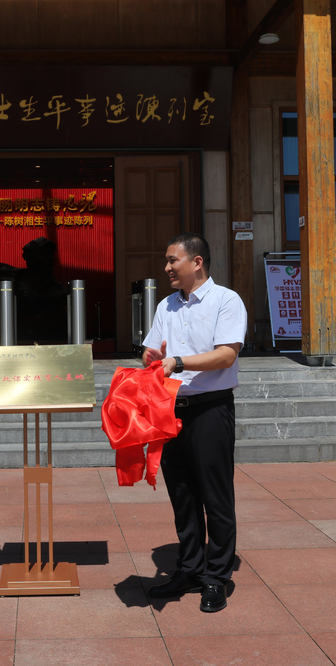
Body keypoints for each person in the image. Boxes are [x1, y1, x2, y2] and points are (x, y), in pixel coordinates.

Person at [142, 232, 247, 613]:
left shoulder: (226, 300)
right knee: (182, 494)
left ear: (197, 262)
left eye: (173, 260)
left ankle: (216, 576)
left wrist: (179, 362)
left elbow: (226, 355)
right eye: (167, 261)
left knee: (215, 496)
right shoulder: (166, 305)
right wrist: (151, 357)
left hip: (210, 409)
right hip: (171, 409)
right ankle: (189, 568)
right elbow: (152, 351)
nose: (167, 267)